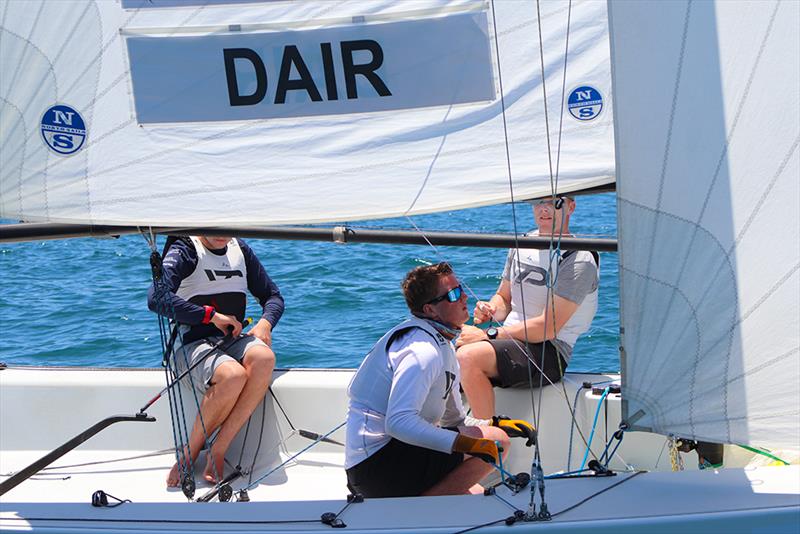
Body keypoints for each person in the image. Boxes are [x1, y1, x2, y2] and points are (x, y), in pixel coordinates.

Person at [345, 262, 535, 498]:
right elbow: (398, 422)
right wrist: (470, 444)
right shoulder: (422, 351)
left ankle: (428, 507)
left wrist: (493, 424)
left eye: (461, 288)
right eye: (454, 294)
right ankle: (421, 511)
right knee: (498, 443)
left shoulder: (441, 343)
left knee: (477, 495)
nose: (465, 296)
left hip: (392, 460)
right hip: (375, 470)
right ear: (430, 310)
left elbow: (453, 419)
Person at [147, 235, 284, 488]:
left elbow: (273, 297)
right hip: (189, 345)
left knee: (264, 358)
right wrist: (210, 316)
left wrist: (265, 323)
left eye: (227, 228)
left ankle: (218, 449)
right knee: (232, 375)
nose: (222, 235)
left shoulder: (239, 249)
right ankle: (190, 452)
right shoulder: (186, 249)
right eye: (214, 228)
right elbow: (157, 298)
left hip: (230, 341)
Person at [456, 196, 599, 419]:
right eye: (538, 202)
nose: (544, 209)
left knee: (467, 357)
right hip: (510, 341)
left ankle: (488, 443)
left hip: (550, 351)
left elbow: (547, 328)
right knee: (438, 351)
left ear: (571, 207)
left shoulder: (579, 260)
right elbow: (504, 298)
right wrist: (491, 309)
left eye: (554, 203)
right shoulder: (522, 243)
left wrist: (487, 335)